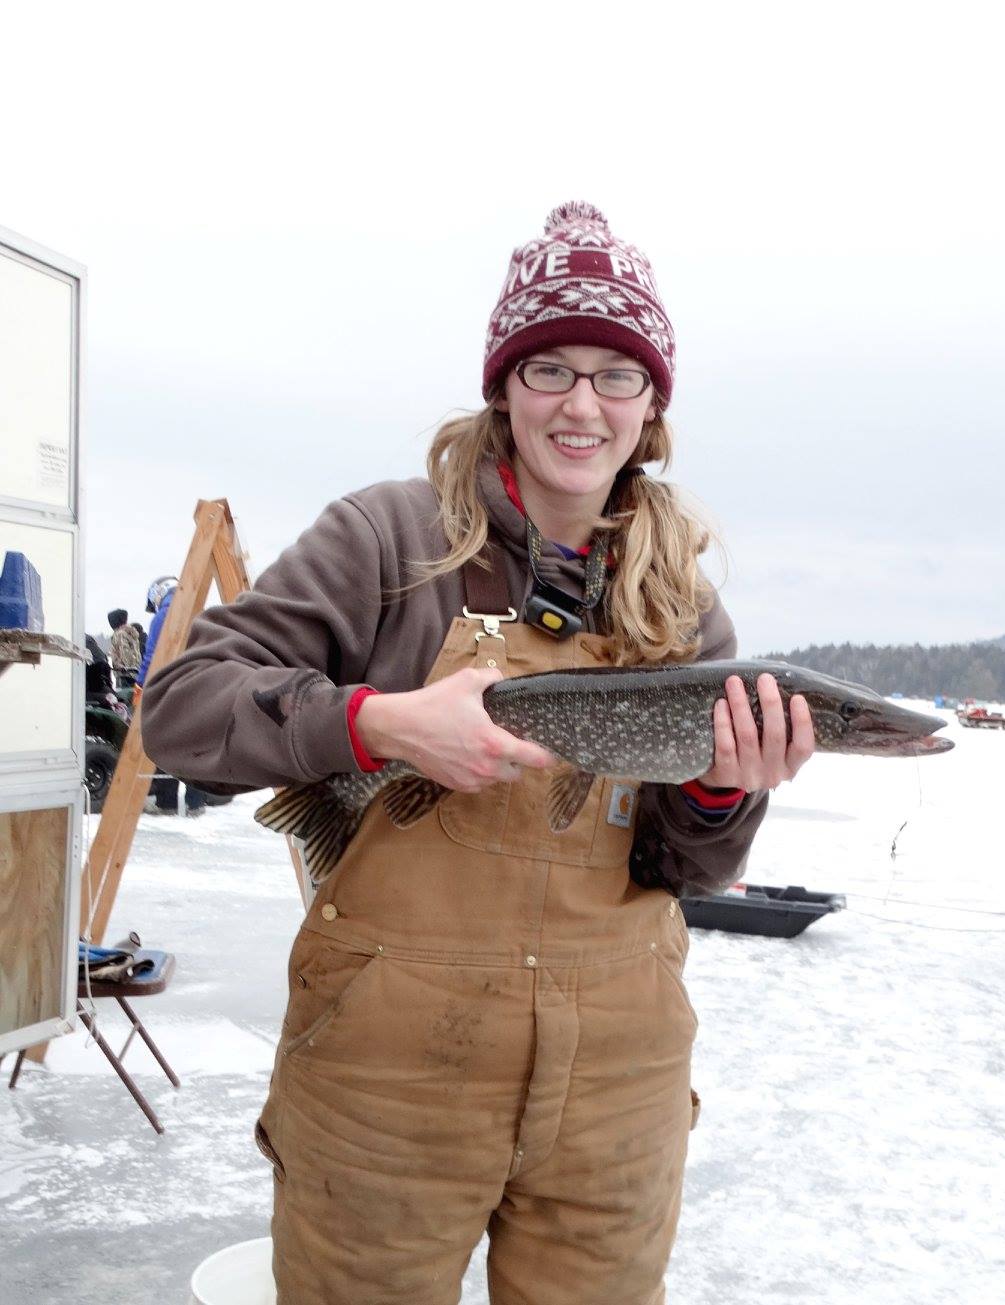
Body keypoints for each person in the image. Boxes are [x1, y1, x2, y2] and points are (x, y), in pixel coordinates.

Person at [142, 202, 816, 1305]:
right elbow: (181, 711)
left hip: (616, 1084)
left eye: (616, 375)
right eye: (549, 368)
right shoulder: (387, 538)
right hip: (388, 1075)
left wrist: (717, 788)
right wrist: (377, 723)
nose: (581, 403)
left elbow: (689, 872)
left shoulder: (681, 601)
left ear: (652, 409)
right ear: (503, 386)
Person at [132, 576, 178, 708]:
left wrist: (139, 685)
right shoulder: (195, 610)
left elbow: (152, 657)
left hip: (172, 685)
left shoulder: (162, 616)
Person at [107, 607, 141, 688]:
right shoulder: (131, 633)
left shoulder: (120, 634)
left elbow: (124, 653)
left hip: (124, 674)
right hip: (135, 673)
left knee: (124, 697)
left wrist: (123, 667)